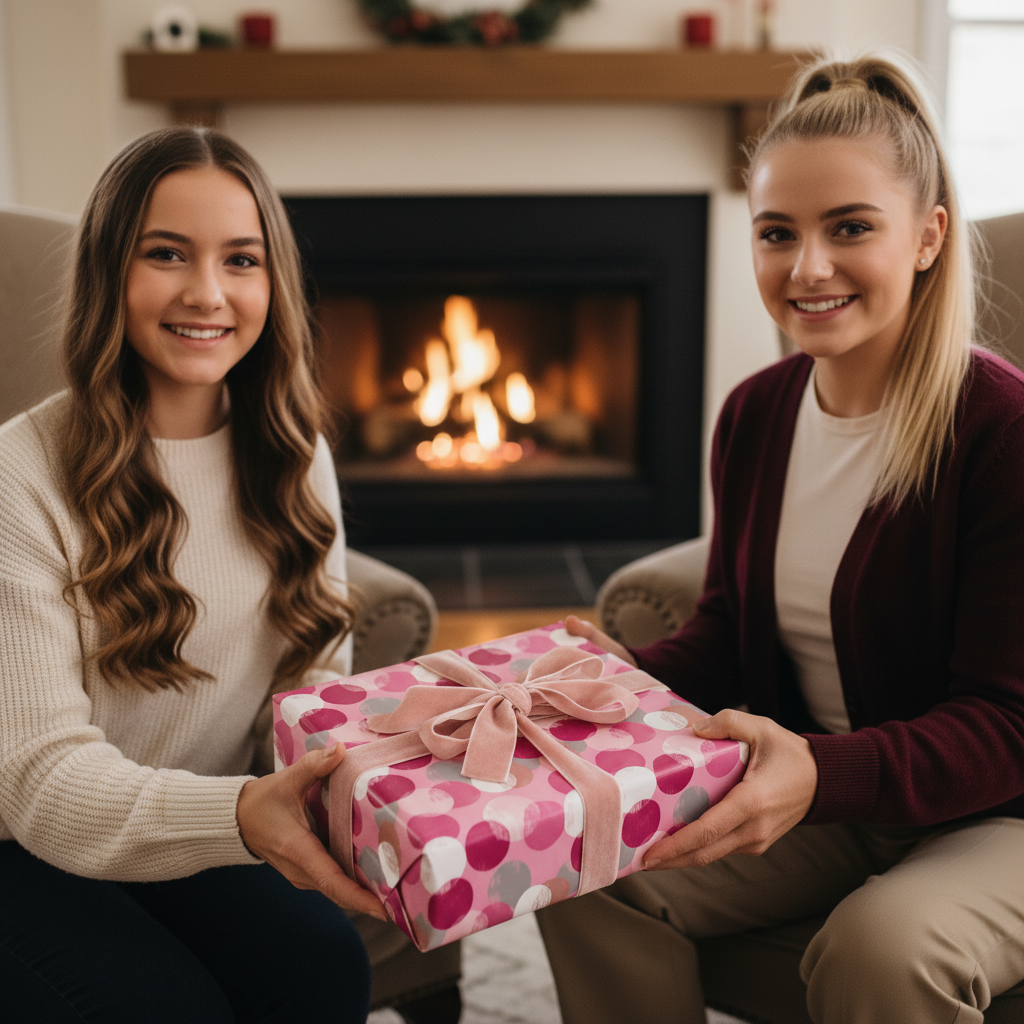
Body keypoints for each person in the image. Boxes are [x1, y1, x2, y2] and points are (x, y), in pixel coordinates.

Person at [537, 52, 1024, 1024]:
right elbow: (726, 631)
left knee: (878, 949)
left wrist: (816, 772)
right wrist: (621, 679)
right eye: (776, 232)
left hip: (995, 812)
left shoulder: (999, 430)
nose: (807, 268)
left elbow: (1005, 723)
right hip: (833, 796)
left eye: (849, 228)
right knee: (583, 870)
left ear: (927, 236)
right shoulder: (755, 413)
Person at [0, 126, 383, 1023]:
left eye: (240, 260)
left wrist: (385, 739)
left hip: (196, 818)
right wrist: (247, 816)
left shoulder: (293, 453)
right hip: (22, 842)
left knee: (323, 966)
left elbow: (314, 674)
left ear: (272, 282)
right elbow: (38, 780)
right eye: (166, 254)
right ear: (109, 272)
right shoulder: (20, 477)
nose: (207, 294)